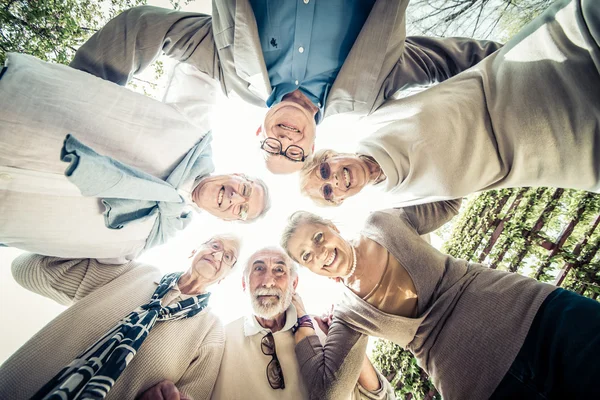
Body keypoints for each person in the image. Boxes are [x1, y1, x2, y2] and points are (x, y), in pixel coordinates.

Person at [69, 0, 502, 174]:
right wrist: (532, 61)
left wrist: (76, 105)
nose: (285, 142)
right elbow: (450, 60)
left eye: (272, 149)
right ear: (315, 143)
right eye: (296, 154)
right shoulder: (368, 95)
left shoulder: (233, 76)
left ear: (260, 132)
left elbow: (144, 27)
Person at [280, 200, 600, 399]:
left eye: (318, 237)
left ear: (333, 227)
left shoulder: (382, 222)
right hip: (483, 390)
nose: (319, 252)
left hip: (538, 318)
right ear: (309, 268)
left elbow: (447, 200)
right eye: (307, 255)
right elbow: (328, 392)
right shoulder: (349, 317)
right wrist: (302, 321)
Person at [299, 0, 600, 207]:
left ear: (333, 154)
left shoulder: (373, 115)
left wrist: (509, 57)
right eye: (328, 192)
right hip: (577, 154)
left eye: (325, 171)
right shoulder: (397, 204)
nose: (335, 181)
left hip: (554, 58)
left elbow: (435, 60)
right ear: (339, 201)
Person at [0, 53, 269, 263]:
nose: (236, 198)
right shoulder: (193, 130)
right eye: (245, 189)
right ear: (237, 174)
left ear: (228, 220)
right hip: (14, 114)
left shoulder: (150, 238)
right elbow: (204, 56)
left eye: (242, 210)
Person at [0, 234, 241, 399]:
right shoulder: (136, 272)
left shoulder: (211, 331)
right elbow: (29, 269)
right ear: (193, 251)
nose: (218, 255)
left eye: (228, 257)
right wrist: (111, 240)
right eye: (215, 245)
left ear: (224, 277)